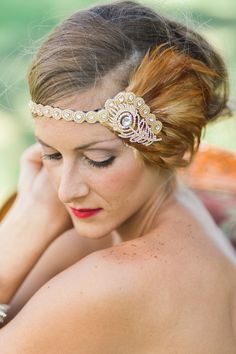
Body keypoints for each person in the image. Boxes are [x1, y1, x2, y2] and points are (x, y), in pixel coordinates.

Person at [0, 0, 235, 352]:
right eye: (51, 154)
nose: (66, 190)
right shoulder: (156, 225)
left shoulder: (119, 279)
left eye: (97, 159)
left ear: (171, 147)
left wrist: (17, 241)